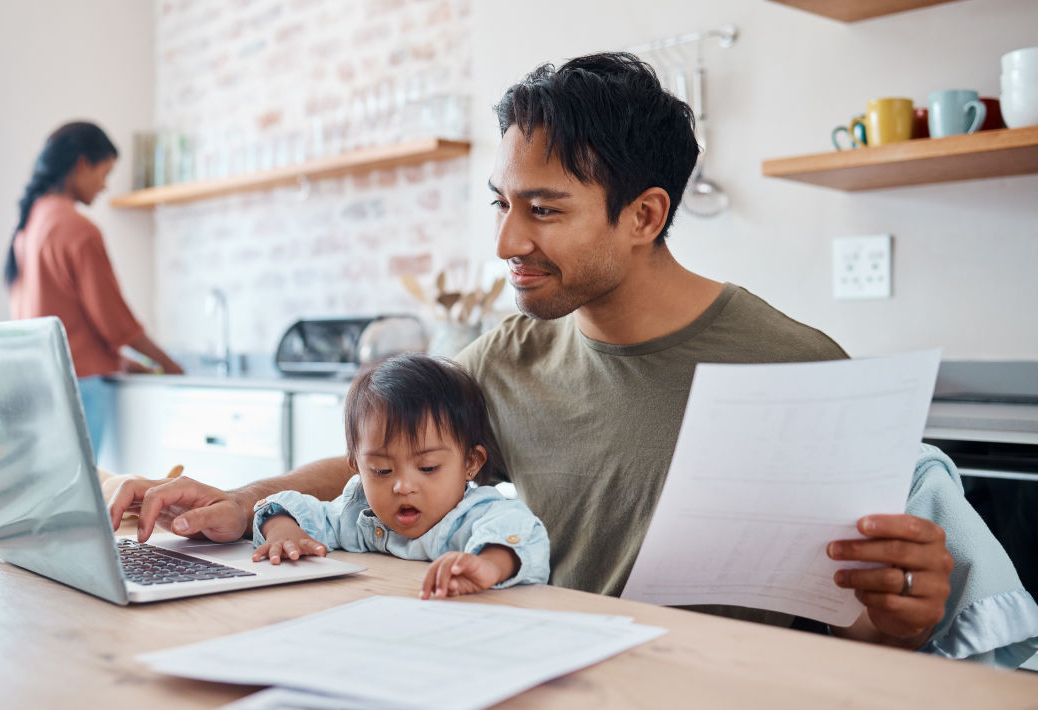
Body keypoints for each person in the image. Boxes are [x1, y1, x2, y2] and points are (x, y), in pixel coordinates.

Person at [107, 54, 1038, 666]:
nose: (508, 238)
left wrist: (902, 620)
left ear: (645, 215)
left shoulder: (797, 368)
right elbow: (385, 455)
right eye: (500, 204)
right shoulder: (509, 354)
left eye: (544, 210)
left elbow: (868, 634)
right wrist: (239, 500)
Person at [250, 353, 549, 599]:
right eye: (381, 470)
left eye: (428, 467)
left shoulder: (476, 515)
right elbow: (293, 508)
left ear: (471, 463)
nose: (403, 486)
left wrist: (487, 565)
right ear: (356, 466)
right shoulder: (360, 514)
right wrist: (284, 532)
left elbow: (521, 532)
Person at [6, 121, 183, 454]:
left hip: (38, 382)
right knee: (87, 495)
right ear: (83, 163)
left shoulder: (28, 226)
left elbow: (61, 318)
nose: (104, 186)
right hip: (80, 387)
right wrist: (172, 367)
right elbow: (116, 323)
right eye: (105, 172)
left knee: (57, 495)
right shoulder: (78, 229)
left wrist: (121, 361)